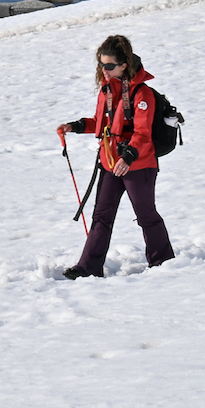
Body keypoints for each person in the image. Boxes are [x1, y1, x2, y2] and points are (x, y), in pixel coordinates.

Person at [58, 34, 175, 278]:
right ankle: (88, 268)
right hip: (110, 162)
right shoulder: (106, 91)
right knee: (101, 216)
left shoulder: (143, 94)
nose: (104, 70)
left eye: (109, 66)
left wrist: (128, 157)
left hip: (139, 165)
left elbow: (142, 134)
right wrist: (76, 126)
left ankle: (163, 261)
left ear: (125, 64)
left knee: (146, 215)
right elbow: (104, 125)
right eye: (101, 65)